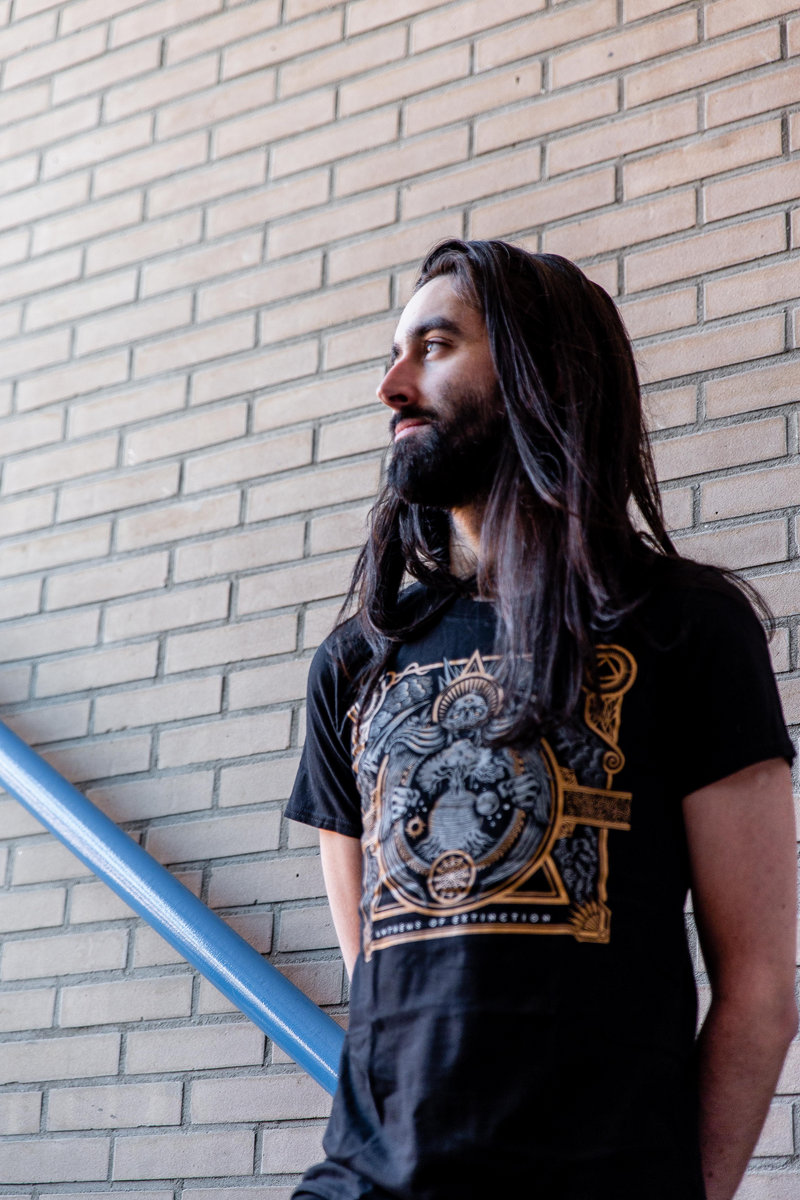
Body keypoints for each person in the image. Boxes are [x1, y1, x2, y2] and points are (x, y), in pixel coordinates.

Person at [285, 239, 797, 1200]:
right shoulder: (355, 662)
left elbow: (761, 993)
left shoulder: (689, 628)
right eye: (394, 354)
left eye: (435, 346)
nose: (392, 387)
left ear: (538, 371)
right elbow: (377, 978)